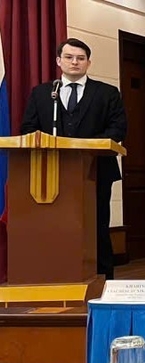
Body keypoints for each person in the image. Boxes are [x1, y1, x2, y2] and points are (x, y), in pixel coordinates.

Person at [21, 38, 127, 280]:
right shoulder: (42, 94)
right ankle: (55, 277)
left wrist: (85, 147)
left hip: (95, 171)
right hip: (50, 172)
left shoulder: (107, 93)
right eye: (69, 57)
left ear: (88, 63)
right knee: (56, 226)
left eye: (80, 58)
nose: (75, 62)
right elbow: (28, 128)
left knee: (96, 227)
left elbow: (118, 129)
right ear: (59, 61)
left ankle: (103, 281)